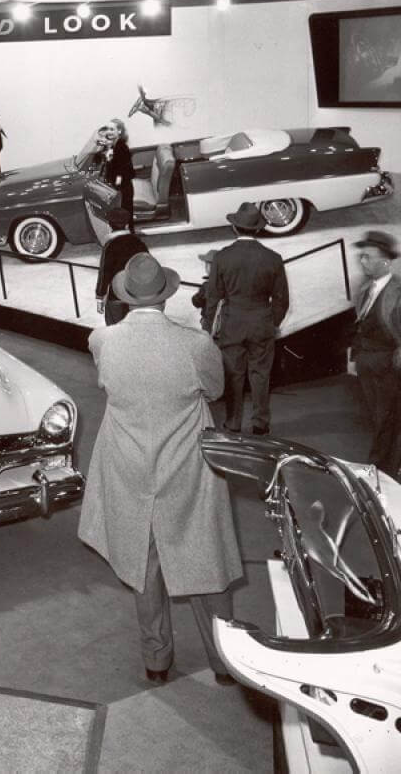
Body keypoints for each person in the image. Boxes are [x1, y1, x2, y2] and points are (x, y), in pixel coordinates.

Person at [78, 252, 240, 686]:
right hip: (187, 463)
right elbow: (215, 390)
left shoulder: (102, 340)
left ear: (127, 298)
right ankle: (226, 662)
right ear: (167, 298)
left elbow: (106, 385)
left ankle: (156, 660)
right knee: (206, 559)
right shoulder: (196, 345)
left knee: (142, 564)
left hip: (128, 463)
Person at [203, 203, 289, 435]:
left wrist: (206, 328)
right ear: (258, 229)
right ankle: (260, 422)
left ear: (234, 228)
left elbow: (213, 297)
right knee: (261, 374)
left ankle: (233, 422)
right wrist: (273, 323)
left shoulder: (222, 257)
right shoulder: (273, 258)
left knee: (233, 374)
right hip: (262, 323)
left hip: (232, 325)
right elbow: (282, 299)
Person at [349, 230, 401, 476]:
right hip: (369, 366)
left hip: (390, 369)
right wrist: (355, 357)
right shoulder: (366, 289)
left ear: (386, 261)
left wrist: (397, 367)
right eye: (362, 257)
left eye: (368, 257)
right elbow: (360, 325)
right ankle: (383, 466)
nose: (363, 262)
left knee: (389, 422)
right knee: (378, 420)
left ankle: (381, 470)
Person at [94, 208, 147, 325]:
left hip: (117, 294)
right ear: (127, 225)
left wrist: (100, 296)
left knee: (115, 327)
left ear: (109, 226)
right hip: (136, 295)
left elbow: (104, 273)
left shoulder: (110, 245)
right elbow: (148, 266)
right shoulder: (138, 242)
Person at [98, 119, 134, 217]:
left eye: (112, 129)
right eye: (108, 129)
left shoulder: (121, 147)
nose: (109, 131)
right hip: (121, 184)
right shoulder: (115, 145)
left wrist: (116, 187)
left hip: (124, 187)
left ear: (119, 131)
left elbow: (121, 171)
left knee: (124, 215)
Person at [192, 249, 219, 334]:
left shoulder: (206, 286)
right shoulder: (228, 284)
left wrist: (199, 294)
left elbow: (197, 302)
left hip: (209, 324)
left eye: (206, 264)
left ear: (209, 267)